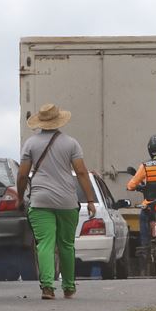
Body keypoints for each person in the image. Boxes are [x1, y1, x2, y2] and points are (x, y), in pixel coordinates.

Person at [16, 103, 97, 300]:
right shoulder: (71, 143)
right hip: (67, 202)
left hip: (40, 200)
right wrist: (90, 200)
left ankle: (47, 287)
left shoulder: (30, 144)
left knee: (45, 244)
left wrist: (20, 196)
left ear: (41, 122)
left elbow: (22, 175)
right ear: (59, 120)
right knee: (66, 245)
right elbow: (81, 172)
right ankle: (68, 287)